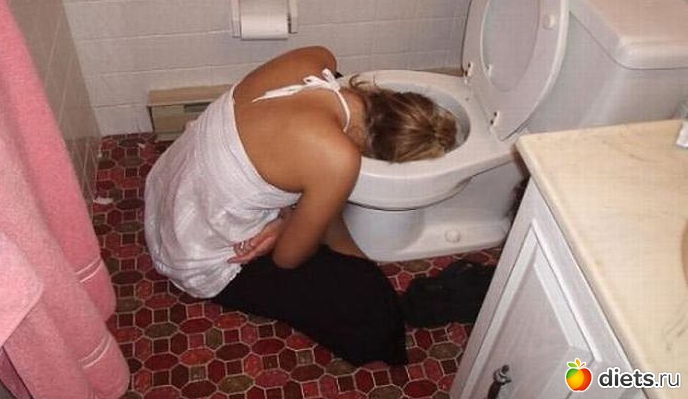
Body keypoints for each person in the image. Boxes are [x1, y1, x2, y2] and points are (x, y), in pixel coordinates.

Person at [144, 46, 457, 365]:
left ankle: (307, 209)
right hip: (196, 253)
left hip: (169, 190)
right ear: (380, 153)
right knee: (375, 315)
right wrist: (295, 231)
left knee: (320, 197)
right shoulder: (337, 159)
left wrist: (287, 217)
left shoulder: (316, 59)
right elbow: (287, 259)